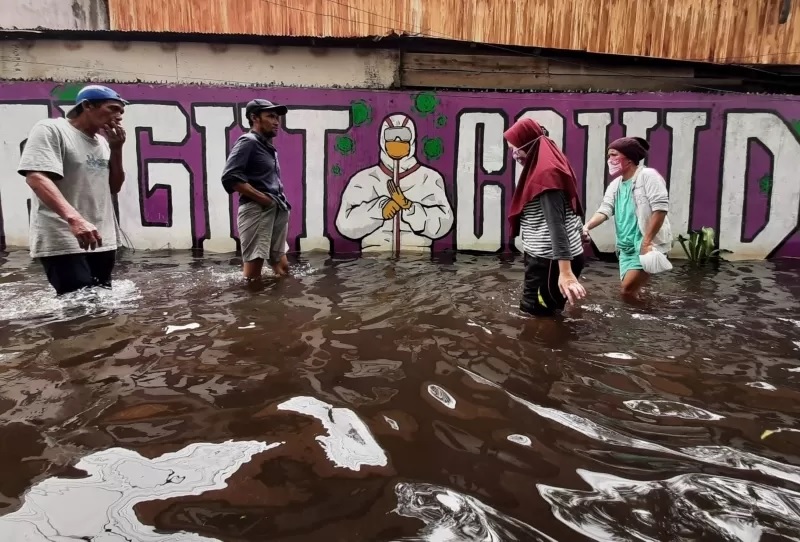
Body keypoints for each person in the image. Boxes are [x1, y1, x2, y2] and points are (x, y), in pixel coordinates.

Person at [17, 85, 128, 296]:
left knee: (101, 301)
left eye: (121, 111)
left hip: (101, 238)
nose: (119, 116)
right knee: (77, 304)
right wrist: (75, 220)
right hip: (64, 236)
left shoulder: (103, 143)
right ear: (87, 106)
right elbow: (36, 177)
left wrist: (117, 150)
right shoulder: (52, 129)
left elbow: (114, 187)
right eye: (113, 108)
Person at [335, 114, 454, 253]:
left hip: (418, 259)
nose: (397, 141)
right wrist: (379, 210)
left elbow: (444, 223)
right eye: (391, 136)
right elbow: (344, 223)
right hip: (372, 260)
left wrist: (409, 207)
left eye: (404, 136)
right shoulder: (363, 179)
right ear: (382, 139)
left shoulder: (429, 178)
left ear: (412, 139)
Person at [504, 118, 587, 316]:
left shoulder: (545, 174)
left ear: (527, 144)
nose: (513, 153)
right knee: (549, 310)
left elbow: (556, 224)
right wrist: (579, 231)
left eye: (514, 148)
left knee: (534, 315)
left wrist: (565, 273)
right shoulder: (551, 163)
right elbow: (567, 208)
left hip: (549, 261)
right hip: (553, 258)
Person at [582, 137, 673, 300]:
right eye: (609, 156)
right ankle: (649, 309)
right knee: (631, 293)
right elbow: (605, 210)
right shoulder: (616, 184)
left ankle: (649, 314)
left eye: (614, 155)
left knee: (626, 291)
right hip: (625, 249)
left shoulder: (648, 176)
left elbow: (660, 209)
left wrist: (647, 242)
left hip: (646, 245)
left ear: (629, 159)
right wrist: (587, 226)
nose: (610, 160)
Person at [222, 99, 291, 280]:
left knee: (283, 268)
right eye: (270, 116)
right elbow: (230, 177)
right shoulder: (248, 142)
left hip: (275, 209)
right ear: (254, 118)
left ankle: (277, 298)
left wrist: (273, 203)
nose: (276, 122)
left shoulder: (267, 146)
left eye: (277, 118)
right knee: (253, 276)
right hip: (258, 210)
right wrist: (265, 200)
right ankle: (250, 300)